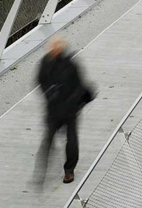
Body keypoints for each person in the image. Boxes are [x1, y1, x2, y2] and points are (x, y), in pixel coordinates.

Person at [36, 35, 95, 186]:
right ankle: (42, 171)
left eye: (55, 47)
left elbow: (79, 86)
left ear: (60, 48)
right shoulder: (46, 62)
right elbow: (40, 81)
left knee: (71, 140)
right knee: (49, 139)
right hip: (55, 110)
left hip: (68, 111)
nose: (52, 50)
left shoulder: (69, 64)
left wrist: (71, 103)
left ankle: (69, 171)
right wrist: (50, 94)